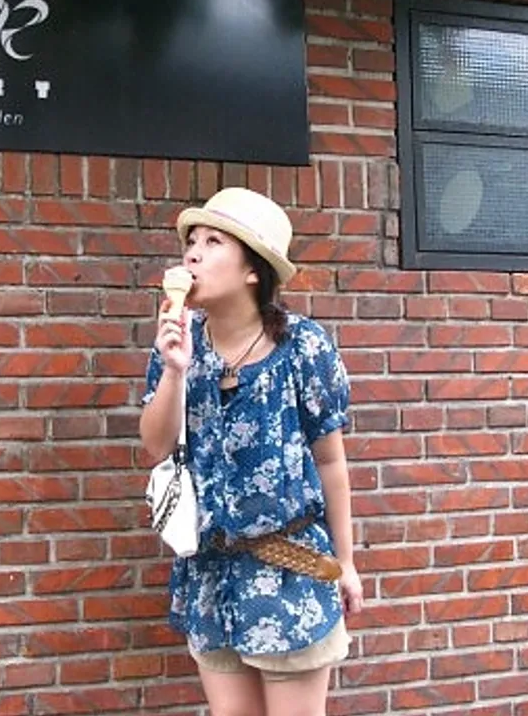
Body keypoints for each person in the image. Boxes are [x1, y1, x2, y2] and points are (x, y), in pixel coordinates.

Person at [139, 187, 364, 716]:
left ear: (253, 271)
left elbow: (330, 461)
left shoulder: (302, 346)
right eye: (191, 241)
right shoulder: (180, 341)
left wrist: (347, 562)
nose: (193, 254)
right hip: (211, 576)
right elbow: (155, 446)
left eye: (213, 242)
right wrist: (174, 369)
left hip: (290, 571)